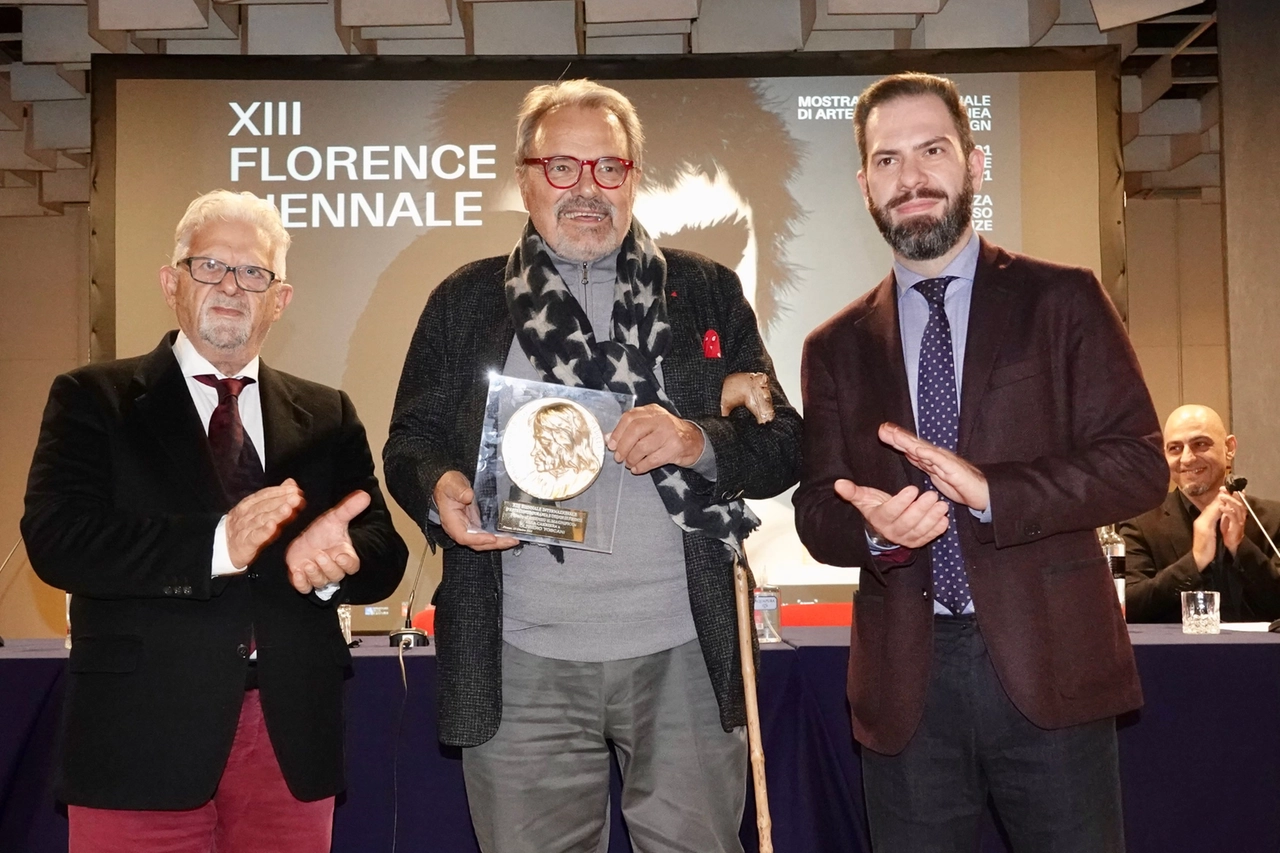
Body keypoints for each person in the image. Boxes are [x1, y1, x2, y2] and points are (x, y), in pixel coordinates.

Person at [383, 79, 801, 853]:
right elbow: (409, 441)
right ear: (525, 177)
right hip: (521, 657)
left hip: (683, 647)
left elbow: (784, 445)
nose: (586, 190)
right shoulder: (464, 301)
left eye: (608, 168)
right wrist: (437, 486)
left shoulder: (706, 291)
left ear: (634, 175)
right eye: (562, 167)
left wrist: (695, 441)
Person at [793, 72, 1168, 852]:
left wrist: (995, 491)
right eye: (887, 160)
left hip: (1053, 669)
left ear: (974, 161)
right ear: (864, 184)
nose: (912, 177)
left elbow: (1138, 465)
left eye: (932, 150)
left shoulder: (1063, 299)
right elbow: (816, 512)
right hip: (905, 690)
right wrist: (875, 531)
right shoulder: (832, 346)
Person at [22, 190, 408, 853]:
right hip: (140, 736)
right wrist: (212, 547)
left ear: (279, 299)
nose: (232, 286)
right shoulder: (94, 398)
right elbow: (58, 540)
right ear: (172, 283)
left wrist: (335, 560)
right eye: (210, 267)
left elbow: (383, 549)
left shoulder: (327, 412)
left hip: (289, 737)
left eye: (253, 272)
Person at [1121, 404, 1280, 622]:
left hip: (1264, 655)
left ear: (1229, 448)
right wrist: (1194, 561)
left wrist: (1241, 549)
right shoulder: (1140, 523)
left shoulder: (1274, 518)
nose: (1187, 458)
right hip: (1176, 655)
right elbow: (1127, 608)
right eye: (1175, 448)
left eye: (1200, 444)